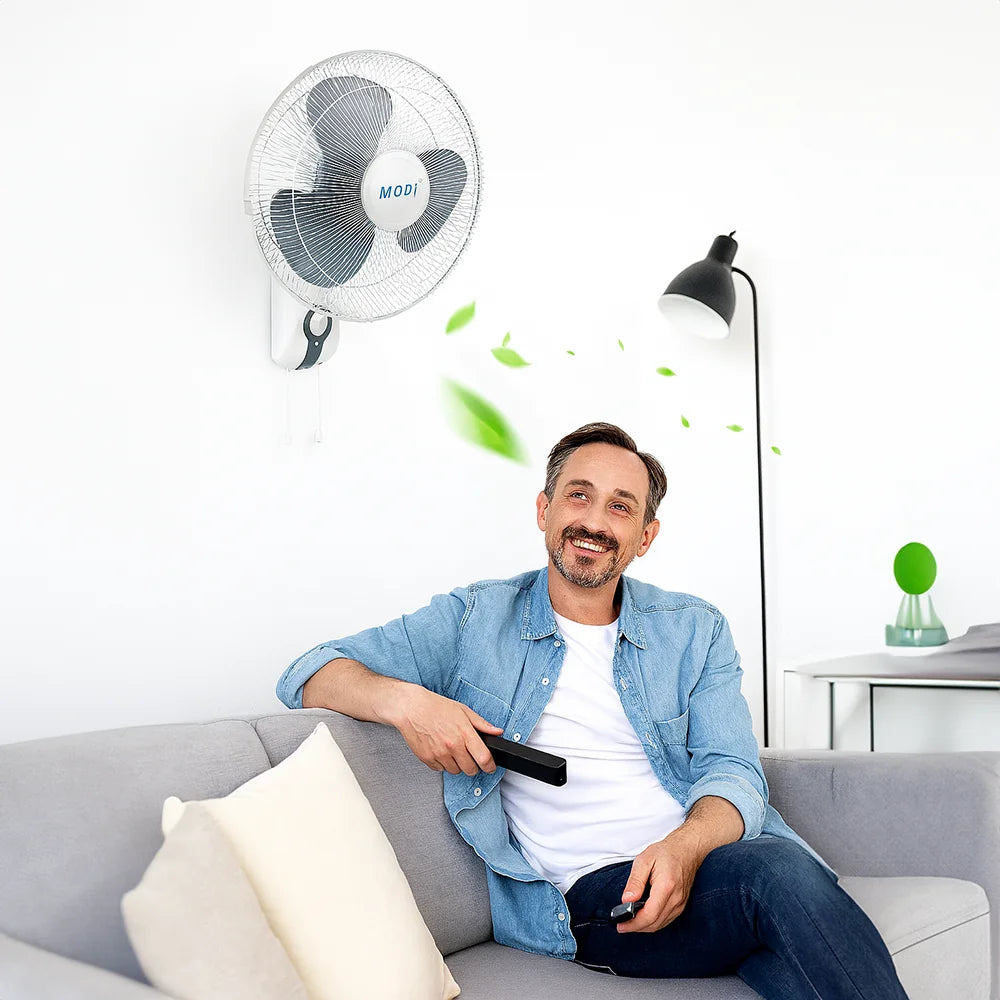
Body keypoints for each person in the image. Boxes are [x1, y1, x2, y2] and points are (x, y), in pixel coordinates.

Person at [276, 422, 911, 1000]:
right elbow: (307, 673)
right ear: (544, 510)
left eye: (620, 507)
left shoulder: (694, 630)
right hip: (595, 897)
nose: (594, 521)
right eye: (578, 496)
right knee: (777, 874)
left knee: (786, 953)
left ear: (645, 537)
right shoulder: (473, 619)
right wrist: (409, 702)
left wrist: (685, 848)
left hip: (705, 865)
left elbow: (735, 772)